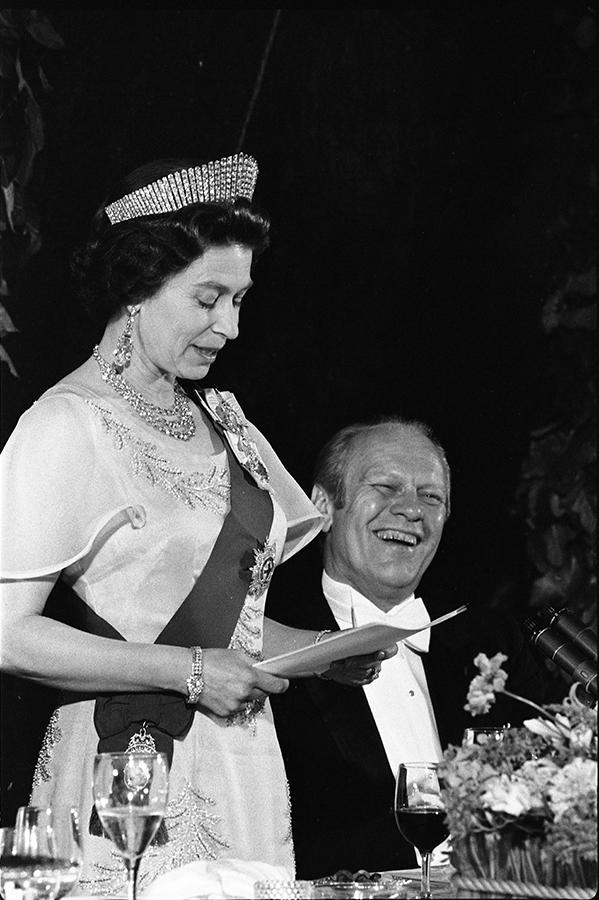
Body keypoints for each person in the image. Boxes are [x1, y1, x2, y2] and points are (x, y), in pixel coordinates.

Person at [0, 154, 396, 894]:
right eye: (209, 298)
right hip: (127, 771)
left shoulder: (225, 420)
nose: (231, 327)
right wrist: (187, 672)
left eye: (241, 300)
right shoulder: (65, 424)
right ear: (138, 288)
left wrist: (322, 651)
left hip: (241, 765)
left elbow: (233, 632)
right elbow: (8, 633)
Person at [267, 416, 552, 879]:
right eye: (385, 486)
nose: (410, 510)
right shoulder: (273, 644)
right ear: (323, 506)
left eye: (431, 496)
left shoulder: (493, 641)